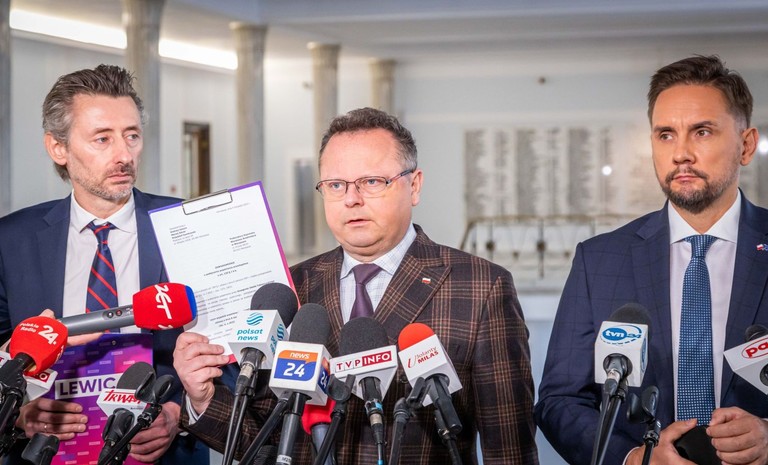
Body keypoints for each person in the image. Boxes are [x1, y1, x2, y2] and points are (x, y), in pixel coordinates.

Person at [174, 107, 539, 464]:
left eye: (372, 182)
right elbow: (265, 442)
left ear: (414, 186)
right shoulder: (293, 289)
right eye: (336, 185)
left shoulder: (481, 286)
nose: (352, 199)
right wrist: (203, 398)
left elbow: (509, 446)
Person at [535, 55, 768, 465]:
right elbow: (560, 401)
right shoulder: (599, 261)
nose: (681, 153)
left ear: (746, 145)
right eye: (665, 135)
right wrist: (632, 458)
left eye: (702, 132)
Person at [0, 64, 215, 464]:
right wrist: (18, 413)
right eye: (102, 138)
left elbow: (232, 352)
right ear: (58, 148)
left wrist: (180, 413)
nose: (124, 155)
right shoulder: (11, 240)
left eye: (131, 135)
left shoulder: (188, 226)